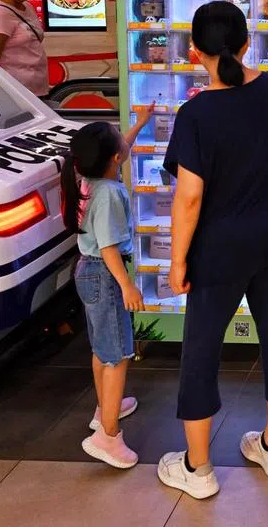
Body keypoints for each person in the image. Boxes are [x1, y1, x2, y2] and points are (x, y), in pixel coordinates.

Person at [157, 1, 268, 500]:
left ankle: (198, 468)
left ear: (194, 51)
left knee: (202, 349)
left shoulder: (195, 114)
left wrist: (177, 261)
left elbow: (189, 197)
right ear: (248, 44)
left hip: (219, 247)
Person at [60, 111, 153, 469]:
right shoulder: (110, 194)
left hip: (87, 271)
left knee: (102, 348)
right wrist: (127, 286)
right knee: (117, 355)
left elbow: (120, 148)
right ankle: (108, 436)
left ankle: (105, 408)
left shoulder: (88, 180)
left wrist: (140, 124)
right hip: (105, 273)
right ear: (115, 158)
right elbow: (110, 247)